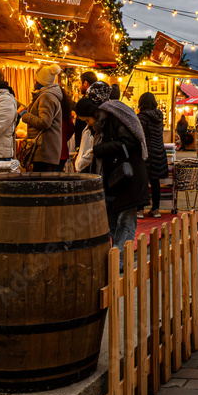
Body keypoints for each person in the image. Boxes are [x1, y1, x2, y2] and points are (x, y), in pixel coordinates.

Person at [75, 81, 149, 268]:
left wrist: (99, 149)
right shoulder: (102, 122)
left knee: (125, 220)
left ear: (95, 112)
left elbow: (129, 143)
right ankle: (117, 259)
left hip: (127, 179)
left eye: (87, 120)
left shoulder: (117, 116)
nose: (88, 124)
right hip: (114, 181)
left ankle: (120, 262)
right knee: (113, 219)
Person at [18, 64, 64, 172]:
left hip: (43, 149)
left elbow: (45, 122)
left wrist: (24, 114)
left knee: (42, 182)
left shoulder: (46, 96)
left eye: (36, 80)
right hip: (45, 149)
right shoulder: (48, 95)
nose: (34, 83)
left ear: (40, 81)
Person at [138, 92, 169, 218]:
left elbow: (141, 136)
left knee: (142, 181)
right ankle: (156, 209)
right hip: (159, 151)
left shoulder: (142, 117)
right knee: (155, 181)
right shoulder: (159, 116)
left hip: (147, 152)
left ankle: (140, 209)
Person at [73, 71, 98, 150]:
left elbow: (80, 126)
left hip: (86, 144)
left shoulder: (87, 102)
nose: (79, 87)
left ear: (86, 83)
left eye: (80, 83)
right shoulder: (97, 99)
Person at [58, 88, 75, 172]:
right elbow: (71, 129)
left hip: (49, 154)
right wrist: (64, 139)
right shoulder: (65, 113)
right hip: (63, 151)